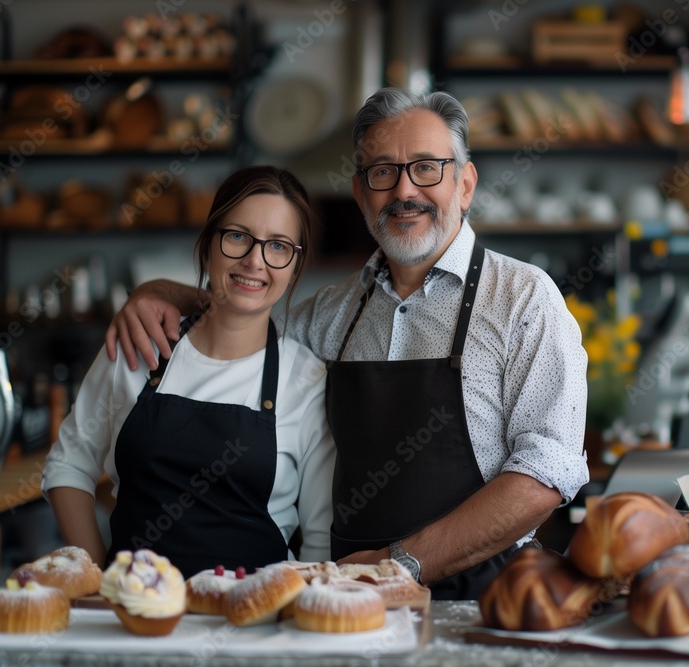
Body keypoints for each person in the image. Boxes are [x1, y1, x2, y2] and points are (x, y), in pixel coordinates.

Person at [105, 88, 589, 599]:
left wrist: (398, 564)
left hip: (483, 603)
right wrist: (162, 292)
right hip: (346, 602)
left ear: (465, 184)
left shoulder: (522, 298)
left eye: (427, 168)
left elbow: (545, 472)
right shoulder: (326, 315)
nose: (404, 191)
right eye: (382, 172)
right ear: (360, 194)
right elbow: (239, 324)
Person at [43, 166, 336, 578]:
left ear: (294, 266)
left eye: (279, 246)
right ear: (208, 245)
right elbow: (69, 464)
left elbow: (320, 543)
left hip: (253, 626)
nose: (255, 260)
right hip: (134, 620)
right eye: (237, 236)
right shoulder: (141, 343)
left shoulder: (307, 381)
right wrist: (96, 580)